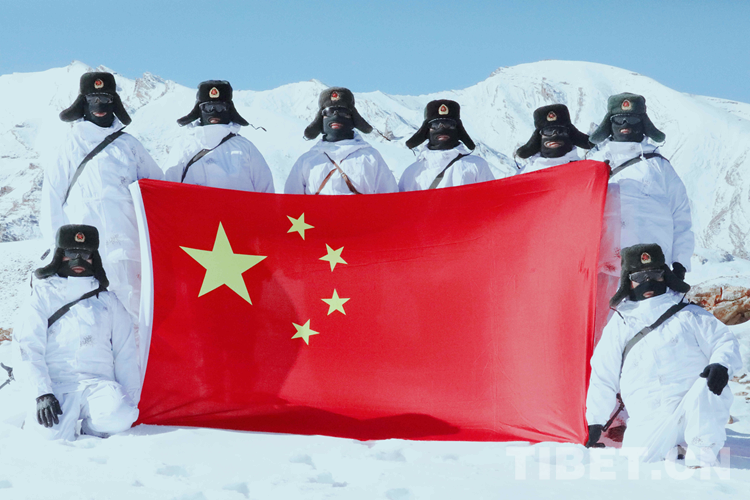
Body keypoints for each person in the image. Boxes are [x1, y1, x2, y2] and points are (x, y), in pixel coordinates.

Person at [586, 243, 741, 466]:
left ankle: (701, 458)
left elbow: (724, 341)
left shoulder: (689, 314)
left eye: (654, 275)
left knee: (708, 384)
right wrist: (595, 420)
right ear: (628, 280)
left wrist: (721, 364)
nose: (647, 282)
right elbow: (604, 374)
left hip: (693, 408)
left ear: (665, 275)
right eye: (639, 277)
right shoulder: (620, 324)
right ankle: (675, 450)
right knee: (639, 462)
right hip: (650, 418)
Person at [41, 71, 163, 325]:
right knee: (92, 320)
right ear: (83, 103)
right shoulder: (69, 146)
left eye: (106, 99)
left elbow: (158, 189)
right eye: (93, 99)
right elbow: (52, 198)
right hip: (84, 252)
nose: (99, 106)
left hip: (129, 247)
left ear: (114, 102)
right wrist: (57, 249)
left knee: (137, 317)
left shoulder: (130, 146)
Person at [13, 225, 140, 441]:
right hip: (55, 386)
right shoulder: (42, 297)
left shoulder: (108, 301)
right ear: (59, 255)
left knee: (121, 416)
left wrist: (129, 400)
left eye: (85, 254)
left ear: (94, 258)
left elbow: (125, 352)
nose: (78, 260)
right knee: (49, 437)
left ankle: (91, 432)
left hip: (98, 384)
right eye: (71, 253)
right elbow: (27, 347)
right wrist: (41, 393)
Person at [588, 93, 694, 278]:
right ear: (609, 124)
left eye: (632, 119)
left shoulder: (659, 166)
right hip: (602, 269)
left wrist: (680, 263)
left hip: (649, 268)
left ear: (643, 123)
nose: (625, 125)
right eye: (619, 119)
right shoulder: (593, 165)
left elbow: (680, 215)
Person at [165, 80, 274, 192]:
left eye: (220, 107)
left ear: (229, 110)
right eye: (208, 107)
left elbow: (266, 190)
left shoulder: (245, 148)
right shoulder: (184, 146)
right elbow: (167, 188)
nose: (214, 112)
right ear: (199, 111)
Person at [284, 87, 397, 195]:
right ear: (321, 118)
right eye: (329, 112)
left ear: (353, 117)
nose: (336, 116)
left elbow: (390, 199)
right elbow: (291, 202)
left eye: (343, 112)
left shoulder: (371, 158)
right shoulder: (307, 161)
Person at [399, 100, 494, 191]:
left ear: (458, 130)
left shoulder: (476, 165)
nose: (442, 129)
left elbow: (492, 198)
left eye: (449, 124)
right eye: (435, 125)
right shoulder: (412, 173)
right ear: (426, 131)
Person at [514, 104, 593, 173]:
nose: (554, 136)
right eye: (548, 132)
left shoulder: (588, 171)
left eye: (560, 131)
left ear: (570, 136)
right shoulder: (525, 175)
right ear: (539, 138)